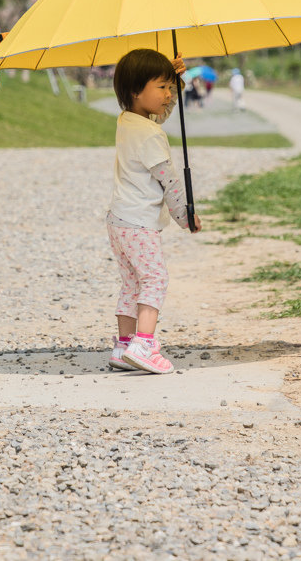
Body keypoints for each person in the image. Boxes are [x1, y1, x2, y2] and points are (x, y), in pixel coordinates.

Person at [107, 48, 202, 375]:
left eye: (169, 87)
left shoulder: (128, 120)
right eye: (161, 87)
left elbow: (159, 113)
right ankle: (144, 344)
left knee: (131, 283)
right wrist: (185, 215)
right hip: (138, 225)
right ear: (136, 91)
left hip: (119, 221)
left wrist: (176, 81)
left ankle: (123, 347)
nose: (168, 95)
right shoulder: (150, 135)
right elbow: (170, 182)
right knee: (154, 278)